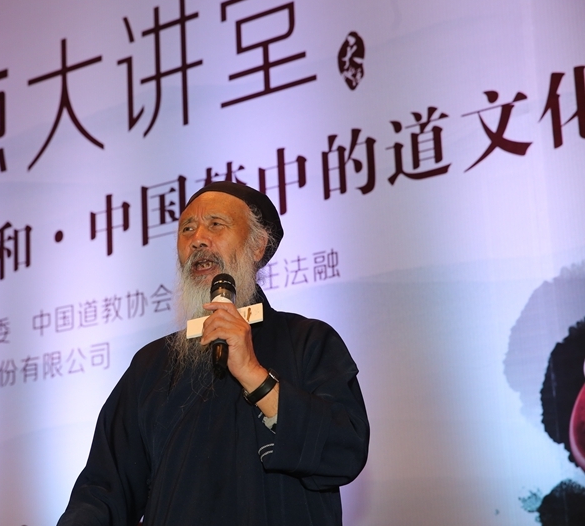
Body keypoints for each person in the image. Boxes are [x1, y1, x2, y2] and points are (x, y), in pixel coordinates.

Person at [58, 182, 369, 525]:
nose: (197, 240)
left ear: (257, 246)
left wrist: (253, 374)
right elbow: (103, 489)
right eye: (187, 229)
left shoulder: (308, 341)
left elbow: (345, 450)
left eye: (216, 224)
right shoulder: (151, 364)